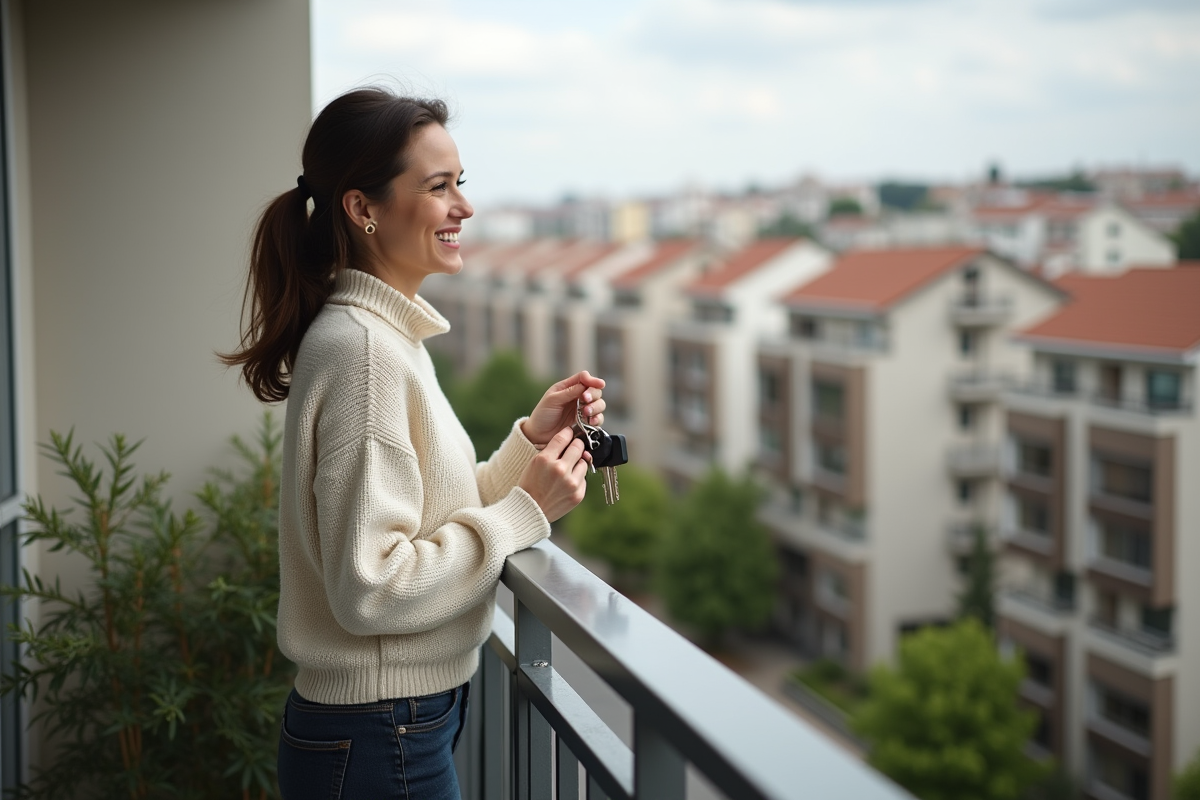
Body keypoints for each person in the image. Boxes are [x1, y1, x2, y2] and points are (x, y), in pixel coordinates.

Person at [221, 87, 604, 799]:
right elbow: (373, 588)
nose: (464, 206)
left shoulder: (384, 338)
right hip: (379, 731)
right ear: (363, 209)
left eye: (461, 183)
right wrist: (527, 514)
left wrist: (532, 440)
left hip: (389, 726)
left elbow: (437, 515)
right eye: (439, 187)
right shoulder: (365, 352)